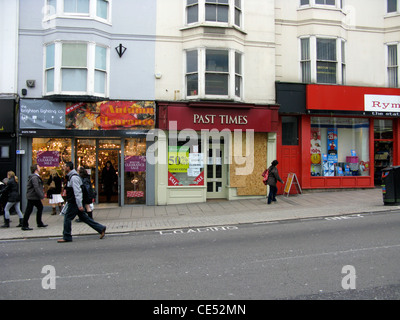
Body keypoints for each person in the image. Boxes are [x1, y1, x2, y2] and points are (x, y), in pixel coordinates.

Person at [57, 162, 106, 243]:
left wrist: (79, 204)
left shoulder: (73, 178)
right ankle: (100, 228)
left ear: (68, 167)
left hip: (74, 203)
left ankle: (67, 236)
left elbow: (78, 192)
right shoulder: (72, 177)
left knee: (67, 218)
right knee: (84, 218)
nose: (63, 167)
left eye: (65, 166)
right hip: (75, 202)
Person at [22, 164, 47, 230]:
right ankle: (25, 225)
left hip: (33, 196)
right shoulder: (34, 177)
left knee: (38, 208)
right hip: (33, 196)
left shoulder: (35, 177)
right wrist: (41, 196)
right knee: (29, 210)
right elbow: (36, 187)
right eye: (38, 167)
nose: (40, 168)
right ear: (36, 169)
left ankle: (39, 223)